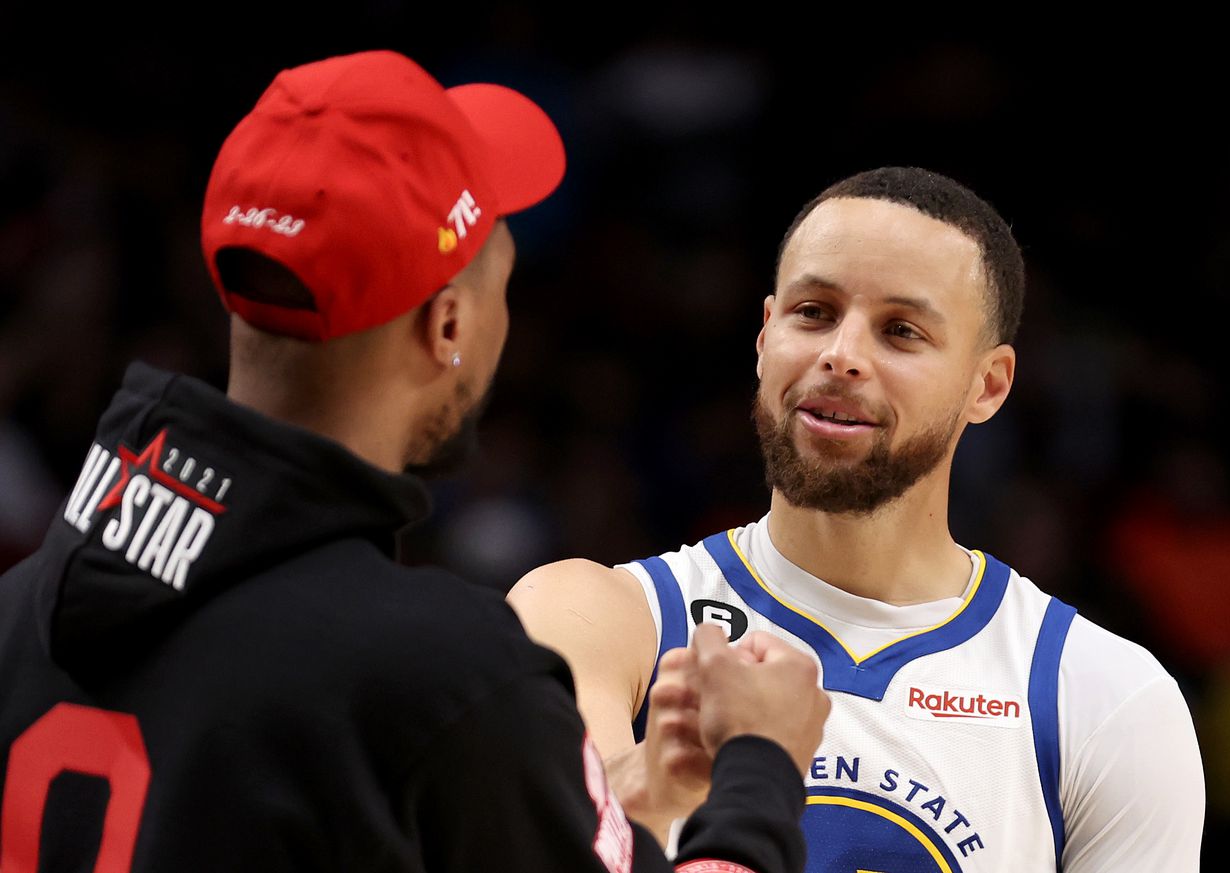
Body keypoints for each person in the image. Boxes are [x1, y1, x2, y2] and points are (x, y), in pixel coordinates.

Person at [0, 50, 832, 872]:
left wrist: (609, 807)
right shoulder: (442, 677)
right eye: (502, 280)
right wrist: (759, 770)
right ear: (448, 328)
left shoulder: (21, 608)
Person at [509, 167, 1206, 872]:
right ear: (763, 338)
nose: (841, 355)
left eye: (900, 331)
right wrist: (648, 789)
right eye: (813, 312)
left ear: (986, 385)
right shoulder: (595, 621)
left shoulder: (1105, 697)